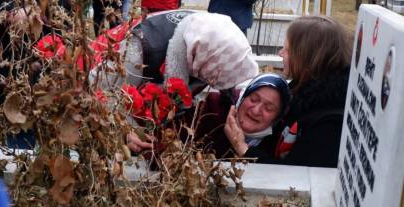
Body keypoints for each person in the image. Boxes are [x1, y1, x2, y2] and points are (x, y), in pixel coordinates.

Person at [101, 11, 259, 152]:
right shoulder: (139, 51)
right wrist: (126, 131)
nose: (212, 83)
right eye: (215, 79)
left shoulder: (202, 38)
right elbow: (102, 96)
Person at [265, 15, 352, 167]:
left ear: (306, 58)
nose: (280, 53)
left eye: (287, 49)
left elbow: (296, 177)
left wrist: (244, 150)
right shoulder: (303, 92)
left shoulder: (330, 124)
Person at [191, 73, 290, 159]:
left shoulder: (279, 142)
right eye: (253, 99)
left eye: (268, 108)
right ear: (243, 97)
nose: (256, 111)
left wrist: (241, 147)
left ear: (277, 118)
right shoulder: (212, 109)